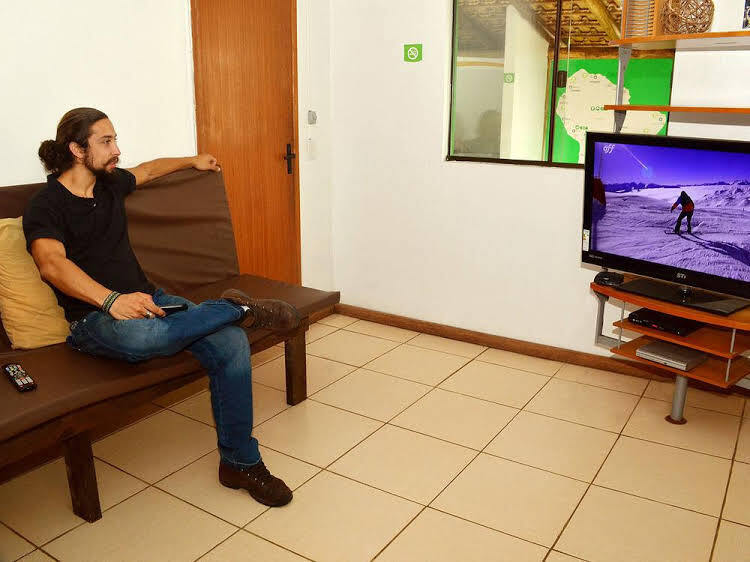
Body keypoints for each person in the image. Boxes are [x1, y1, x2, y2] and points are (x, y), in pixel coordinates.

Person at [23, 107, 298, 507]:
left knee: (231, 343)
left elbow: (149, 170)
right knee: (145, 338)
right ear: (77, 150)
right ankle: (236, 309)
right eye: (106, 142)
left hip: (151, 299)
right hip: (93, 319)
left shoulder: (110, 184)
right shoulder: (46, 204)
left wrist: (193, 160)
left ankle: (239, 463)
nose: (117, 150)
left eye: (115, 139)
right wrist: (112, 300)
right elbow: (51, 264)